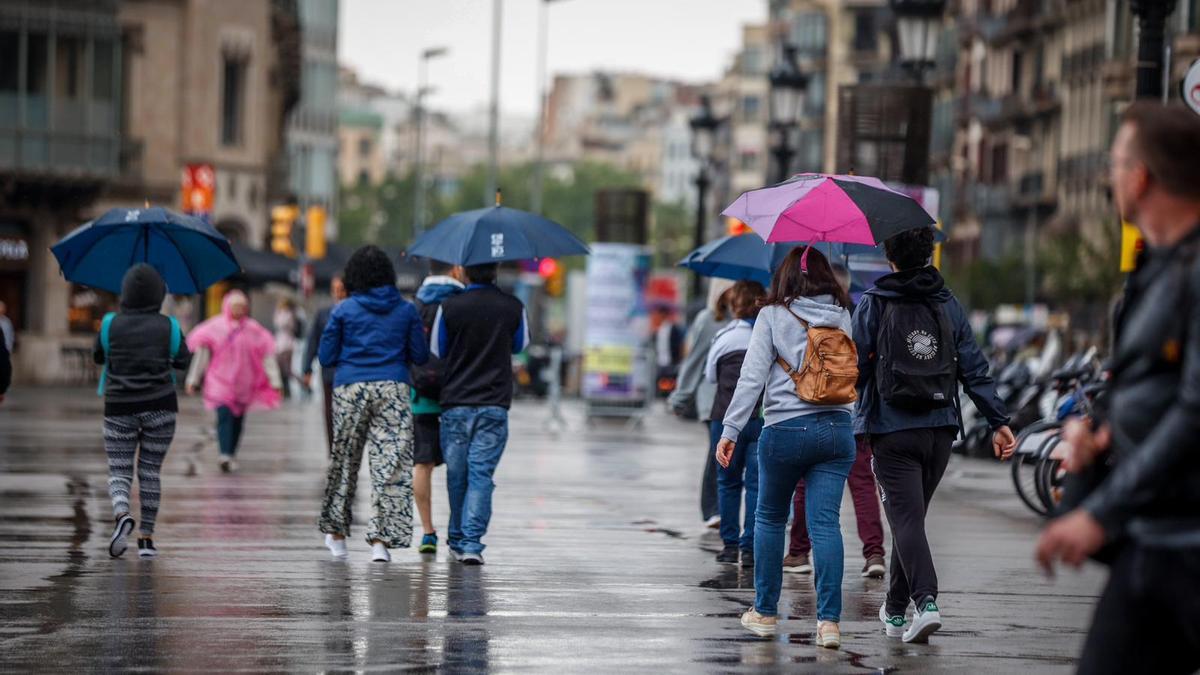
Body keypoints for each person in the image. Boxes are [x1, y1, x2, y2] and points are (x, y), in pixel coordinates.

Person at [1035, 103, 1200, 675]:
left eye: (1116, 163)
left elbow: (1194, 410)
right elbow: (1149, 384)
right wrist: (1099, 433)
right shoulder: (1157, 266)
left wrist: (1101, 512)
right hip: (1155, 538)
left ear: (1142, 177)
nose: (1109, 177)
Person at [854, 227, 1014, 643]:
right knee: (911, 521)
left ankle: (926, 604)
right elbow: (974, 368)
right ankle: (893, 612)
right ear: (928, 255)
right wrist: (999, 422)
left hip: (892, 431)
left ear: (890, 256)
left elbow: (855, 368)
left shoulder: (873, 302)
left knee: (906, 522)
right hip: (940, 430)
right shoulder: (947, 302)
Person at [718, 246, 856, 648]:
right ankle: (829, 623)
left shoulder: (773, 315)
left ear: (785, 278)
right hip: (836, 429)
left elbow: (751, 378)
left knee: (770, 518)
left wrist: (730, 430)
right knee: (825, 525)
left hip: (784, 429)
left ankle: (763, 612)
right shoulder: (843, 315)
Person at [317, 245, 429, 563]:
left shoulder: (343, 310)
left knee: (345, 461)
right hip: (393, 388)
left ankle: (337, 536)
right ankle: (381, 542)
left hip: (350, 387)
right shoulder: (406, 310)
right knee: (390, 465)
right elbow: (420, 356)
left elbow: (325, 356)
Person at [785, 264, 887, 579]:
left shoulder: (802, 315)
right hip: (853, 415)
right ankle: (874, 554)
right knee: (862, 485)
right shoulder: (858, 314)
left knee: (805, 484)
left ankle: (799, 551)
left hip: (812, 412)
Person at [431, 262, 528, 565]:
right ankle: (471, 542)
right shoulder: (513, 306)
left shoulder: (448, 307)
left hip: (456, 403)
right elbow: (520, 345)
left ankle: (458, 537)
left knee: (457, 474)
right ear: (496, 270)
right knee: (481, 474)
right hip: (494, 404)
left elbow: (438, 349)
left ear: (463, 273)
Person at [92, 264, 192, 558]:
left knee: (119, 469)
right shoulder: (169, 326)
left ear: (125, 292)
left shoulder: (110, 324)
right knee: (150, 472)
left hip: (119, 406)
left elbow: (98, 355)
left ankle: (122, 513)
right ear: (158, 294)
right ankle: (146, 539)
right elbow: (183, 361)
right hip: (161, 405)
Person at [185, 289, 281, 473]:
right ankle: (224, 454)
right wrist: (193, 379)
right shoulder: (215, 327)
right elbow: (202, 355)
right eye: (235, 306)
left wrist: (275, 382)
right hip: (219, 382)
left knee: (237, 419)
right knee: (224, 416)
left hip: (244, 383)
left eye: (242, 306)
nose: (239, 310)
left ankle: (231, 452)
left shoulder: (254, 329)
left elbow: (267, 356)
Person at [705, 280, 765, 568]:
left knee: (728, 483)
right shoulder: (767, 335)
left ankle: (729, 546)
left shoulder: (725, 337)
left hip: (725, 419)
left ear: (734, 305)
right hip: (761, 418)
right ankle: (750, 548)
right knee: (756, 485)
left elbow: (710, 377)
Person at [410, 261, 466, 556]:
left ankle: (428, 532)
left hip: (420, 393)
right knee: (459, 462)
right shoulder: (461, 303)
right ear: (456, 270)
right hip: (458, 393)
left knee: (423, 463)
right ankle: (457, 528)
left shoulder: (414, 305)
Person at [668, 284, 733, 529]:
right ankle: (712, 509)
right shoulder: (709, 319)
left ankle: (725, 509)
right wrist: (681, 397)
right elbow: (694, 360)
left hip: (743, 399)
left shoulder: (754, 315)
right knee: (718, 450)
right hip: (712, 397)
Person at [302, 275, 348, 450]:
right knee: (329, 411)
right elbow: (313, 341)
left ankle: (346, 449)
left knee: (348, 413)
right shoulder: (323, 314)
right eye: (335, 289)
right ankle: (332, 450)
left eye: (341, 289)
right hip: (329, 370)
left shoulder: (355, 312)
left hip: (349, 371)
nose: (338, 293)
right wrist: (307, 369)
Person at [273, 298, 300, 399]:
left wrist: (279, 314)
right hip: (280, 344)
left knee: (287, 370)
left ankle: (303, 384)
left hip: (287, 344)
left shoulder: (289, 314)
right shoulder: (282, 313)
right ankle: (285, 390)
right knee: (282, 369)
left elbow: (282, 324)